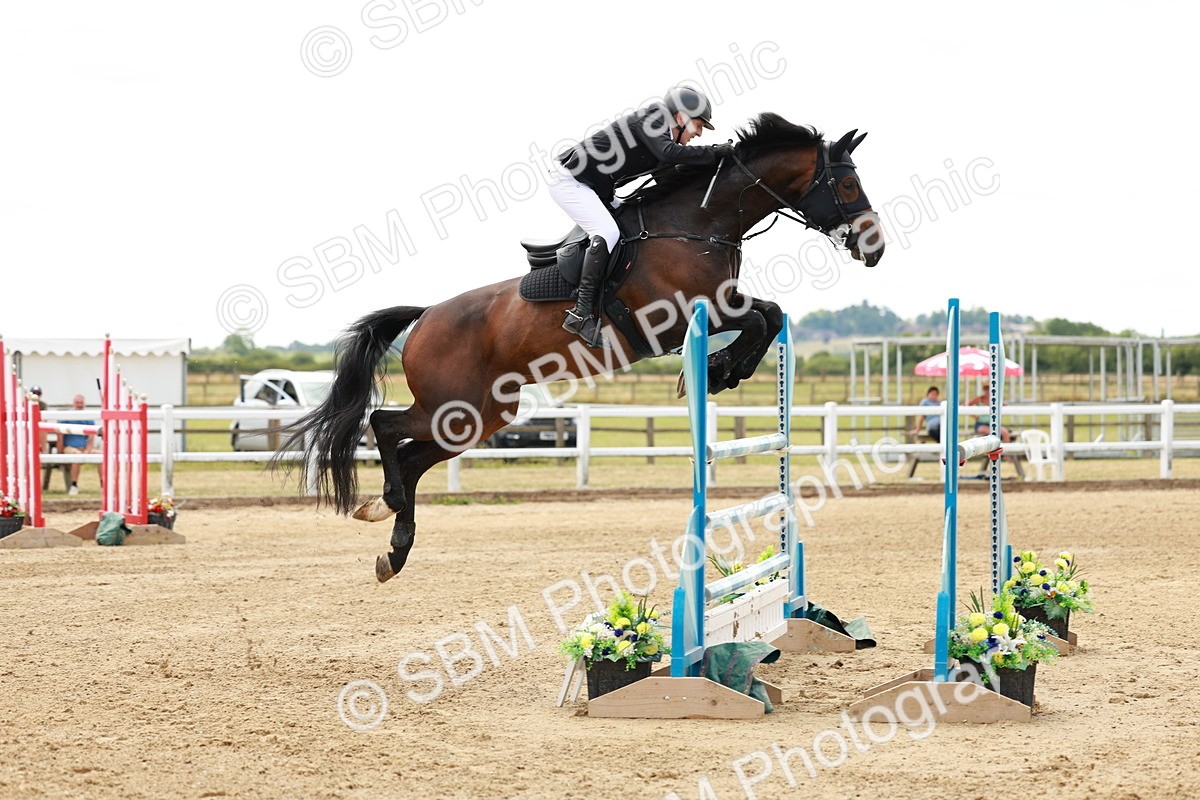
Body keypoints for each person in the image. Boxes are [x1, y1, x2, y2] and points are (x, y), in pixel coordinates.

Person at [550, 86, 734, 347]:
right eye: (698, 124)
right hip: (570, 181)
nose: (700, 133)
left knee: (629, 225)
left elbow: (670, 179)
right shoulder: (654, 118)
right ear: (680, 117)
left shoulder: (664, 138)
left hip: (598, 188)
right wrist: (713, 152)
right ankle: (580, 313)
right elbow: (668, 154)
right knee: (608, 232)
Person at [61, 394, 96, 496]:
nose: (79, 405)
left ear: (84, 404)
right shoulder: (66, 417)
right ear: (73, 403)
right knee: (77, 455)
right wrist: (60, 450)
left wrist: (88, 449)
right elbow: (60, 436)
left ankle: (104, 485)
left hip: (84, 448)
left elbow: (91, 436)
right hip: (69, 448)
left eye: (81, 403)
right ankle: (74, 485)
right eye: (77, 403)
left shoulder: (88, 418)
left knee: (101, 455)